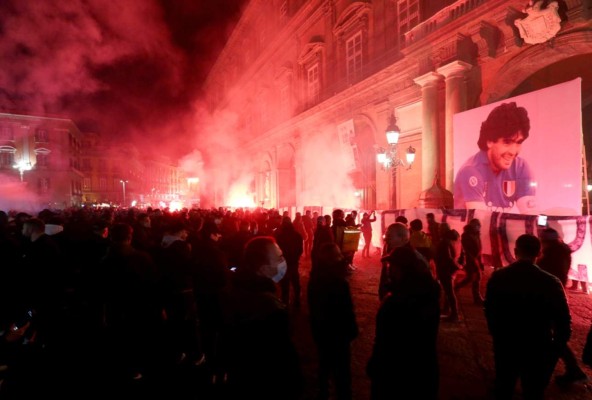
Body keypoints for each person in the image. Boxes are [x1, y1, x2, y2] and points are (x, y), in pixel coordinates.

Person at [484, 234, 571, 400]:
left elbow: (489, 310)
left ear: (515, 251)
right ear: (539, 253)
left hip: (506, 343)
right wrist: (554, 351)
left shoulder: (499, 277)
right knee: (533, 391)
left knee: (504, 386)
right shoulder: (551, 282)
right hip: (538, 345)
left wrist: (497, 335)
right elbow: (564, 323)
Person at [223, 236, 303, 400]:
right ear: (263, 268)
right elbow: (282, 364)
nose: (283, 261)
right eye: (279, 258)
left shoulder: (235, 287)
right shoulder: (268, 308)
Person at [367, 245, 441, 400]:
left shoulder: (396, 304)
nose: (389, 270)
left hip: (395, 376)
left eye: (392, 266)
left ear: (402, 270)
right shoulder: (430, 292)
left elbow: (385, 343)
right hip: (425, 371)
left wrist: (375, 367)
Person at [454, 102, 537, 214]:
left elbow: (531, 215)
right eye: (507, 142)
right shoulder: (470, 171)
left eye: (518, 143)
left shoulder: (521, 167)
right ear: (489, 141)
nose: (513, 152)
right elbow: (481, 224)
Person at [536, 227, 588, 387]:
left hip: (549, 299)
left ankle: (573, 370)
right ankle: (572, 370)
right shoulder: (560, 253)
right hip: (555, 297)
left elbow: (546, 277)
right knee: (554, 336)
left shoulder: (552, 257)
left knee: (553, 337)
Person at [308, 243, 358, 400]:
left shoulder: (315, 279)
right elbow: (346, 310)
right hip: (338, 334)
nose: (341, 257)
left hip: (322, 332)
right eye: (338, 255)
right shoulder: (337, 282)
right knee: (342, 372)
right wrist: (351, 331)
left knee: (324, 364)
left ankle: (323, 391)